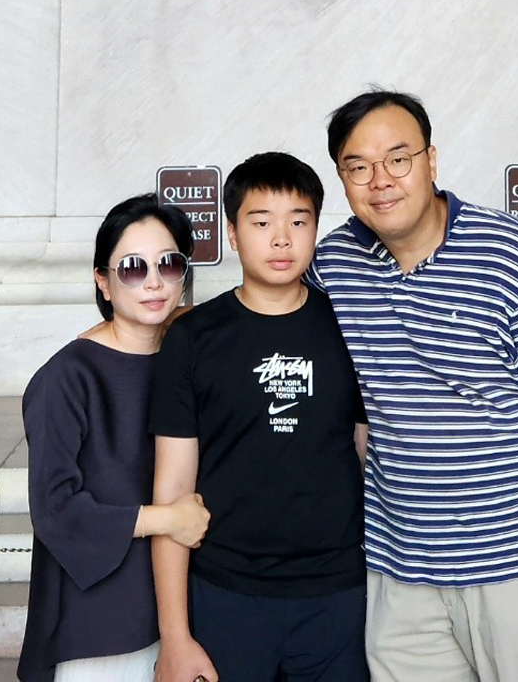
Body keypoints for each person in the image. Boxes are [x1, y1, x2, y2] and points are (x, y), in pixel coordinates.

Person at [309, 90, 518, 682]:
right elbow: (260, 313)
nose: (381, 181)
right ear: (342, 179)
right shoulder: (337, 263)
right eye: (358, 167)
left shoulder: (511, 257)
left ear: (431, 161)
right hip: (401, 575)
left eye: (399, 158)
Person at [149, 152, 370, 682]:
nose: (281, 239)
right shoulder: (192, 337)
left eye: (298, 222)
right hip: (226, 592)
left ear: (318, 229)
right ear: (231, 233)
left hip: (338, 593)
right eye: (261, 221)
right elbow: (173, 490)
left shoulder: (351, 327)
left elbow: (364, 456)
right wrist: (175, 639)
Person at [18, 194, 211, 682]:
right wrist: (167, 518)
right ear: (102, 280)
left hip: (183, 605)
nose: (152, 281)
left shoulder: (186, 359)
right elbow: (56, 508)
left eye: (169, 264)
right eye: (131, 267)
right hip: (98, 617)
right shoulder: (68, 376)